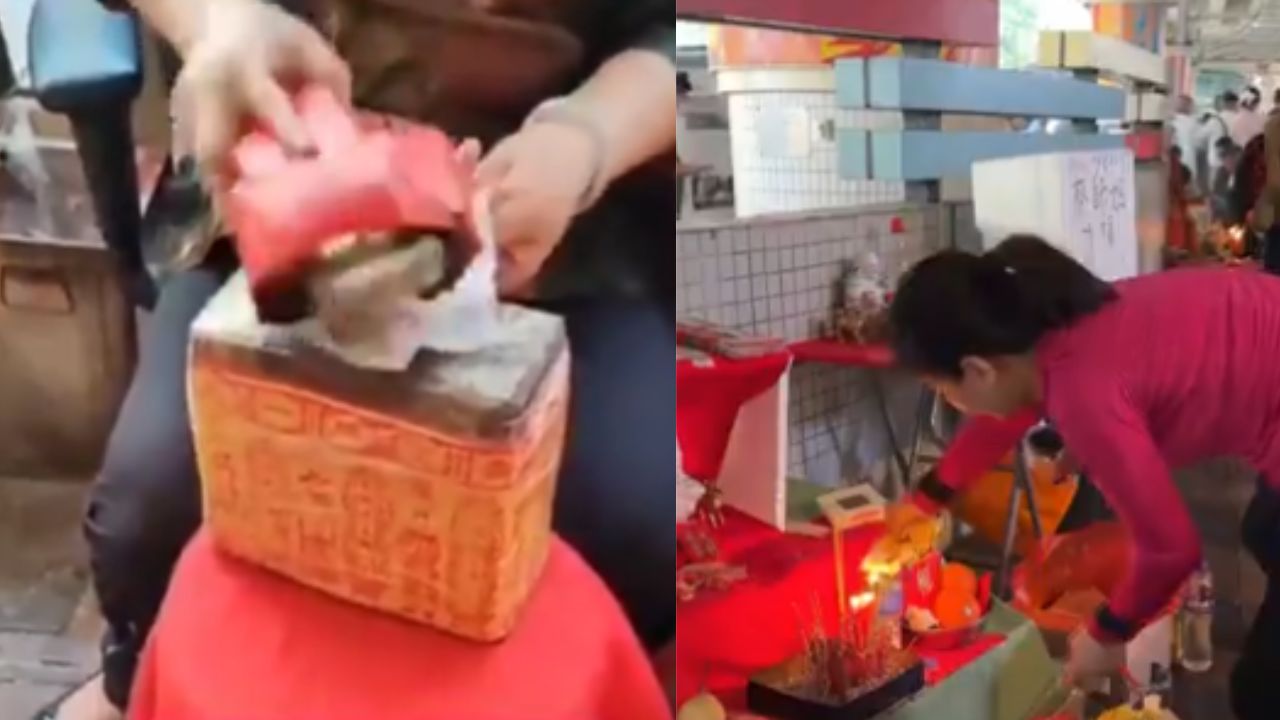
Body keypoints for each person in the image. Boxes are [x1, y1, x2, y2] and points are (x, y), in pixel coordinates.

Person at [53, 1, 674, 718]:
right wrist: (216, 24)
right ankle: (133, 687)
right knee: (150, 510)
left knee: (643, 524)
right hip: (274, 191)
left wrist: (584, 140)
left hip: (555, 221)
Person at [882, 235, 1280, 720]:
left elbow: (1170, 549)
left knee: (1263, 691)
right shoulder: (1055, 329)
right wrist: (927, 499)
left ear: (977, 370)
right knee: (1266, 530)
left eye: (939, 388)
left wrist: (1108, 632)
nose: (948, 400)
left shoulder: (1082, 394)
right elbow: (1013, 409)